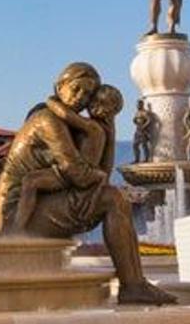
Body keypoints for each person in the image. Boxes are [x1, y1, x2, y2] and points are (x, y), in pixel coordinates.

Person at [0, 62, 175, 305]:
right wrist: (96, 177)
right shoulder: (47, 120)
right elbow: (78, 174)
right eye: (77, 89)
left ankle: (135, 284)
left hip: (39, 201)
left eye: (88, 94)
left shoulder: (74, 125)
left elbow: (99, 173)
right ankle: (132, 285)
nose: (81, 98)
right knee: (112, 199)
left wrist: (109, 132)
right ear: (60, 87)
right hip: (16, 215)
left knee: (114, 197)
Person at [11, 84, 122, 233]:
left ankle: (18, 228)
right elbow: (107, 162)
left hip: (76, 174)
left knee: (30, 181)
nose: (95, 108)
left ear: (111, 111)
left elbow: (64, 114)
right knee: (31, 181)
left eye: (103, 106)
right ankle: (20, 226)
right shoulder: (104, 130)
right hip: (78, 172)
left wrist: (51, 101)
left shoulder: (92, 126)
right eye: (94, 102)